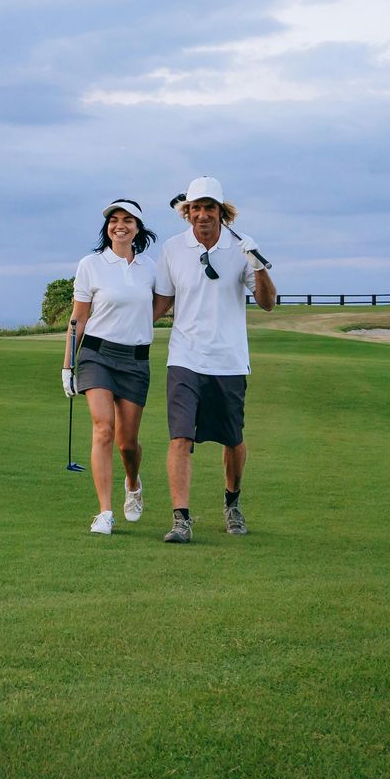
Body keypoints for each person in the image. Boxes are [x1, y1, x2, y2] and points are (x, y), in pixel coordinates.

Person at [150, 176, 277, 544]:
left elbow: (268, 302)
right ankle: (181, 519)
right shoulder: (174, 249)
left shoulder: (242, 249)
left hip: (229, 360)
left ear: (223, 213)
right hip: (185, 357)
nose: (202, 215)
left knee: (233, 440)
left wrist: (258, 265)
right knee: (179, 438)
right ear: (187, 213)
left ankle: (232, 504)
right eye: (196, 208)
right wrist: (116, 326)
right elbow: (160, 304)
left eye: (210, 208)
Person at [63, 198, 159, 533]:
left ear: (138, 228)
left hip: (135, 359)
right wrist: (67, 366)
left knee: (127, 442)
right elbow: (79, 318)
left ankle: (132, 483)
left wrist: (137, 326)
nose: (120, 225)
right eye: (114, 220)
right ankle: (104, 512)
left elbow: (158, 305)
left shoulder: (151, 267)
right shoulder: (91, 264)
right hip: (96, 354)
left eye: (128, 220)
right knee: (103, 428)